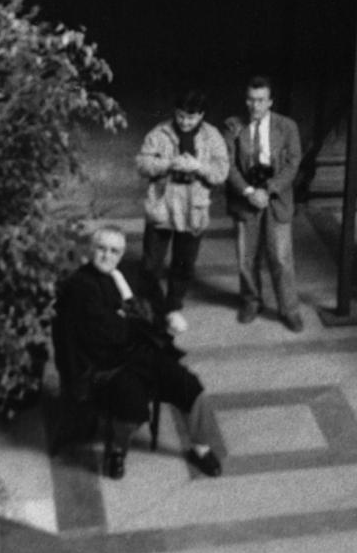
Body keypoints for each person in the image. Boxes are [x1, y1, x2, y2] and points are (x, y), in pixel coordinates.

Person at [53, 224, 222, 478]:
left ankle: (200, 448)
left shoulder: (131, 272)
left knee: (190, 387)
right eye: (101, 249)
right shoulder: (80, 285)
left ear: (121, 254)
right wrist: (139, 322)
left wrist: (166, 315)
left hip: (144, 351)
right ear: (90, 250)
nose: (107, 256)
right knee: (131, 403)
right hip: (107, 364)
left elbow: (153, 300)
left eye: (114, 251)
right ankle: (117, 451)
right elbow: (106, 334)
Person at [135, 90, 230, 320]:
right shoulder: (160, 132)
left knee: (184, 263)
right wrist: (168, 164)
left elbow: (221, 172)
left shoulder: (212, 136)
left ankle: (174, 304)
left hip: (193, 207)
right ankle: (153, 306)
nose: (185, 122)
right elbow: (141, 163)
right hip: (162, 204)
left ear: (202, 115)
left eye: (191, 118)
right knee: (150, 264)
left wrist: (198, 167)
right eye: (180, 116)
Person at [224, 77, 305, 330]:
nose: (254, 105)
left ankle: (289, 308)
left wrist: (268, 190)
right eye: (250, 99)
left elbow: (293, 163)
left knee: (281, 257)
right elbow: (227, 164)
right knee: (246, 257)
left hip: (276, 198)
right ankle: (251, 301)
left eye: (260, 100)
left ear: (270, 101)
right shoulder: (233, 126)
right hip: (246, 197)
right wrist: (249, 192)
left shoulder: (287, 126)